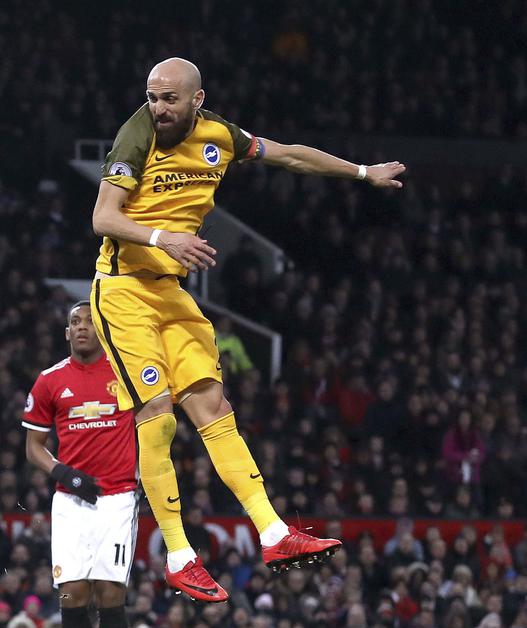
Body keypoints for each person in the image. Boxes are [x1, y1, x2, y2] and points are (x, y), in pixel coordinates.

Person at [89, 57, 405, 600]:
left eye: (168, 99)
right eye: (151, 96)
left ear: (197, 100)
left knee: (214, 407)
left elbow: (287, 157)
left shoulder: (220, 136)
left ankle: (275, 533)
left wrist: (361, 172)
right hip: (123, 292)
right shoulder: (135, 134)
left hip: (170, 294)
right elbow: (104, 217)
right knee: (158, 414)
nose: (157, 107)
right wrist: (166, 238)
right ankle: (179, 554)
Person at [23, 302, 136, 628]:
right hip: (71, 500)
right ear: (67, 333)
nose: (82, 327)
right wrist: (64, 474)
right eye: (75, 322)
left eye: (89, 321)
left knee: (108, 592)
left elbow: (155, 416)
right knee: (72, 593)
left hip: (119, 497)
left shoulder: (125, 373)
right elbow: (33, 448)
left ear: (102, 328)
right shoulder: (50, 380)